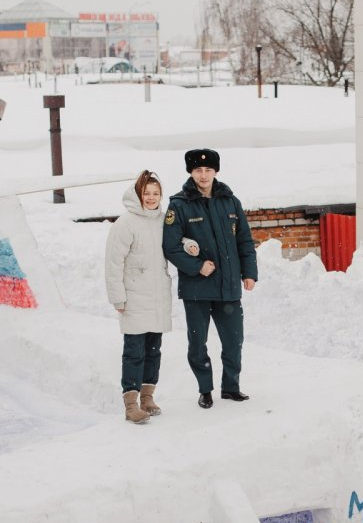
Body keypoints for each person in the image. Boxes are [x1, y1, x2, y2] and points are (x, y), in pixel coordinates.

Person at [162, 148, 258, 409]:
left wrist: (249, 273)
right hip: (197, 289)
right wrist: (196, 267)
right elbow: (170, 247)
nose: (203, 175)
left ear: (216, 171)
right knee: (197, 344)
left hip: (228, 287)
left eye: (208, 170)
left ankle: (231, 387)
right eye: (198, 170)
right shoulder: (179, 205)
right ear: (190, 172)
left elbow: (245, 241)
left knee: (233, 342)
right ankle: (205, 389)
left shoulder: (230, 201)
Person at [106, 170, 193, 424]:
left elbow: (174, 241)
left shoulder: (163, 220)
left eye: (156, 193)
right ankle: (131, 404)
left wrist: (188, 244)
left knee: (153, 350)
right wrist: (118, 298)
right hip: (134, 296)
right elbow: (113, 263)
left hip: (157, 296)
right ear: (138, 194)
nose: (152, 198)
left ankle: (147, 397)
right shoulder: (126, 223)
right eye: (147, 193)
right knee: (134, 351)